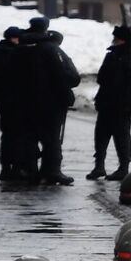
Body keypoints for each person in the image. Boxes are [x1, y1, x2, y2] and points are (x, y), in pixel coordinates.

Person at [25, 19, 80, 185]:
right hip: (50, 101)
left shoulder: (24, 46)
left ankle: (30, 170)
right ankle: (52, 171)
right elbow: (66, 76)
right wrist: (67, 95)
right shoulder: (51, 49)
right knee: (52, 138)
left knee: (31, 136)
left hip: (27, 99)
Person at [0, 26, 35, 183]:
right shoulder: (8, 53)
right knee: (15, 135)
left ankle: (7, 168)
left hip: (4, 102)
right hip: (12, 102)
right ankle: (14, 168)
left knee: (8, 135)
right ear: (13, 38)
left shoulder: (0, 51)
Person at [90, 26, 131, 181]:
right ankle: (99, 166)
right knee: (102, 135)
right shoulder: (113, 55)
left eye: (116, 38)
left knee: (120, 137)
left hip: (120, 105)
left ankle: (123, 167)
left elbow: (106, 78)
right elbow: (102, 77)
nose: (113, 40)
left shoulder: (128, 57)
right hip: (108, 103)